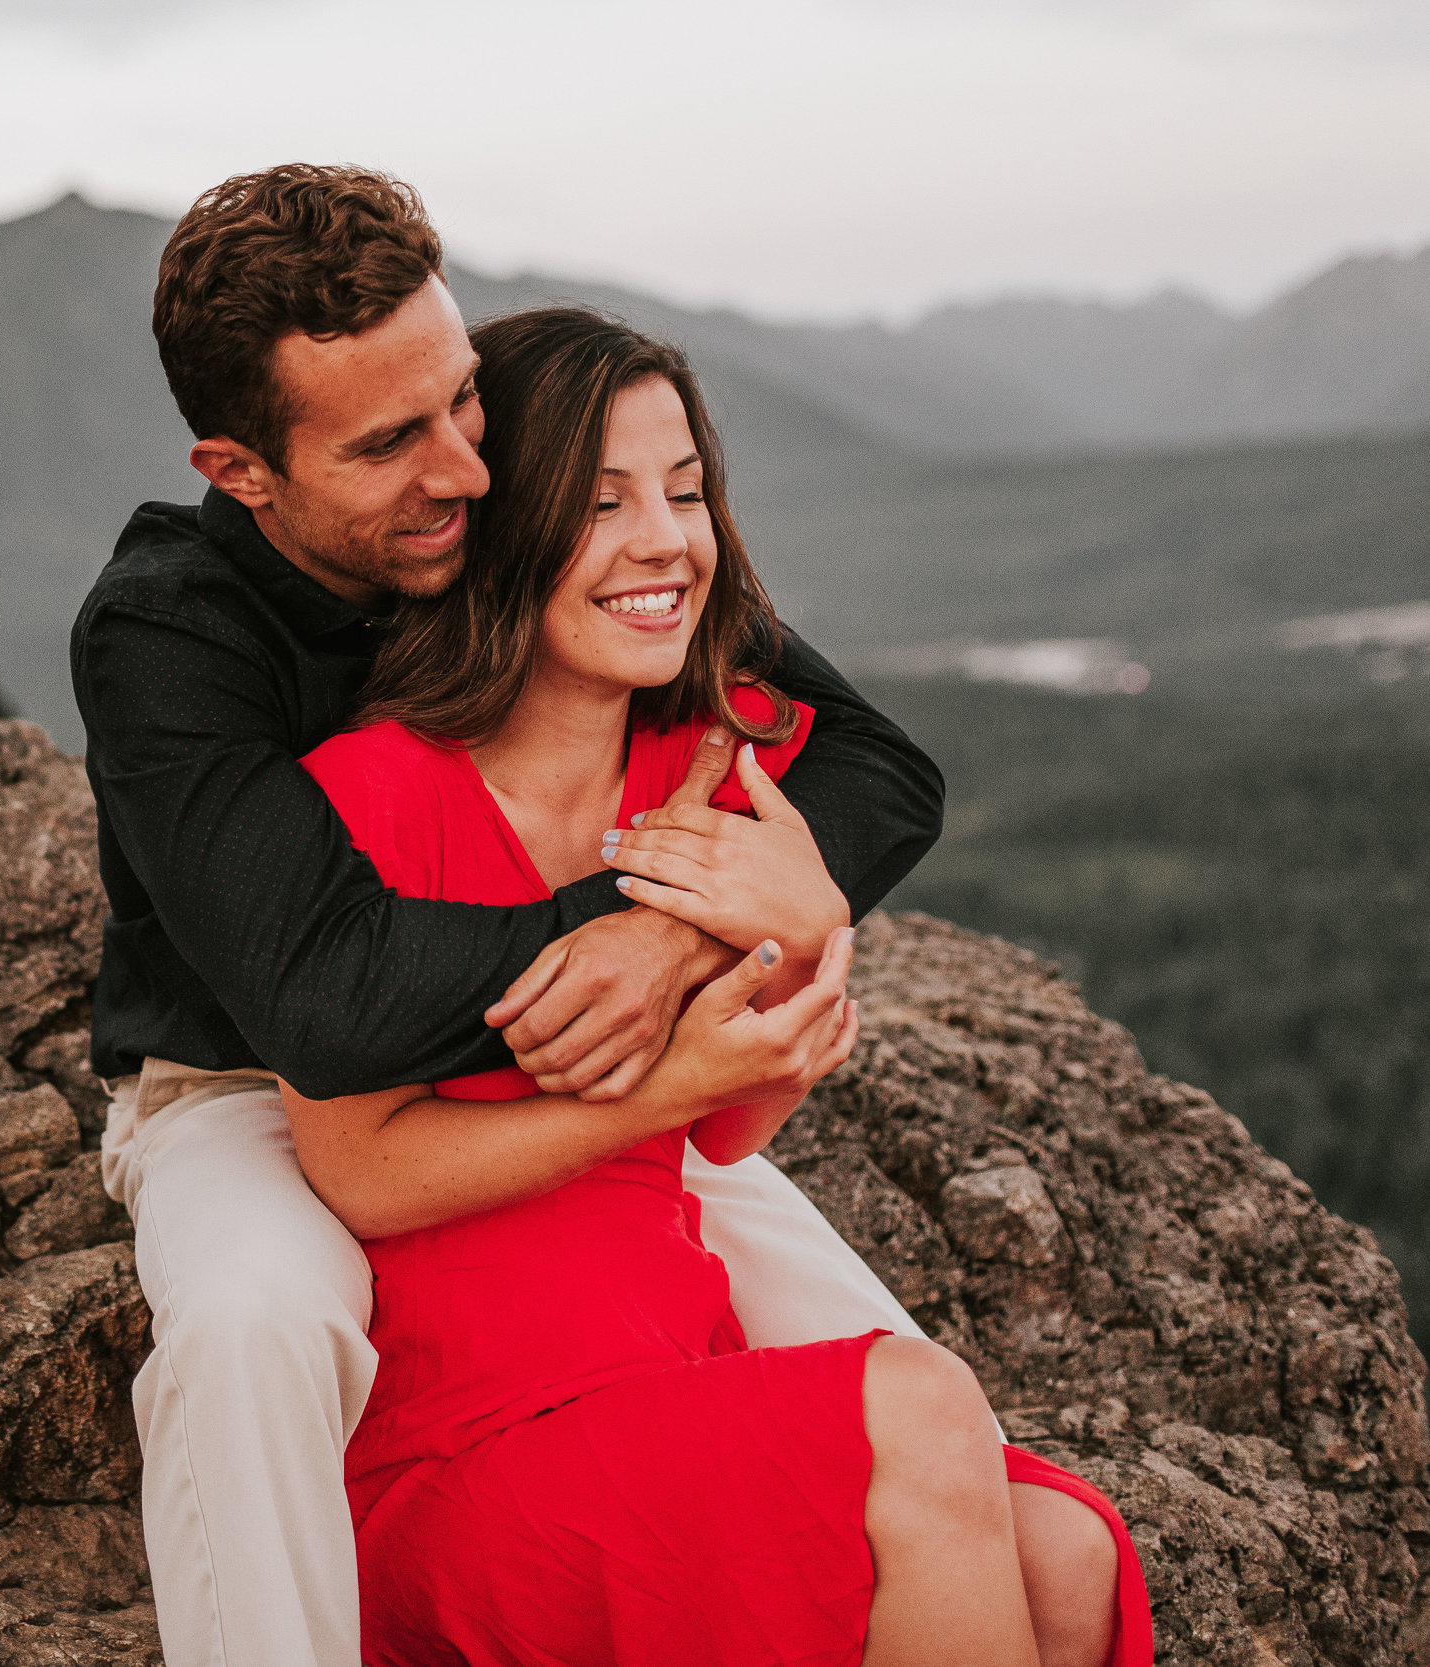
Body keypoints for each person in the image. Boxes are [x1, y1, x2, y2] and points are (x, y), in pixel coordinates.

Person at [74, 163, 917, 1666]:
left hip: (562, 1060)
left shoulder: (490, 507)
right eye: (391, 442)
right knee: (259, 1323)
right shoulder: (169, 633)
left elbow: (875, 765)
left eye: (461, 398)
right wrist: (646, 934)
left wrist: (674, 929)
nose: (464, 469)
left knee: (899, 1389)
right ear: (242, 468)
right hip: (254, 1090)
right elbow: (322, 998)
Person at [286, 304, 1152, 1666]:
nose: (666, 542)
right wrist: (679, 1084)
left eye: (686, 492)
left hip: (662, 1378)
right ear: (495, 525)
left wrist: (788, 1011)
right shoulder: (369, 793)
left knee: (1070, 1551)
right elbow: (356, 1168)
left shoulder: (703, 772)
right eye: (601, 501)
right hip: (468, 1457)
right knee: (920, 1407)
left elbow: (723, 1130)